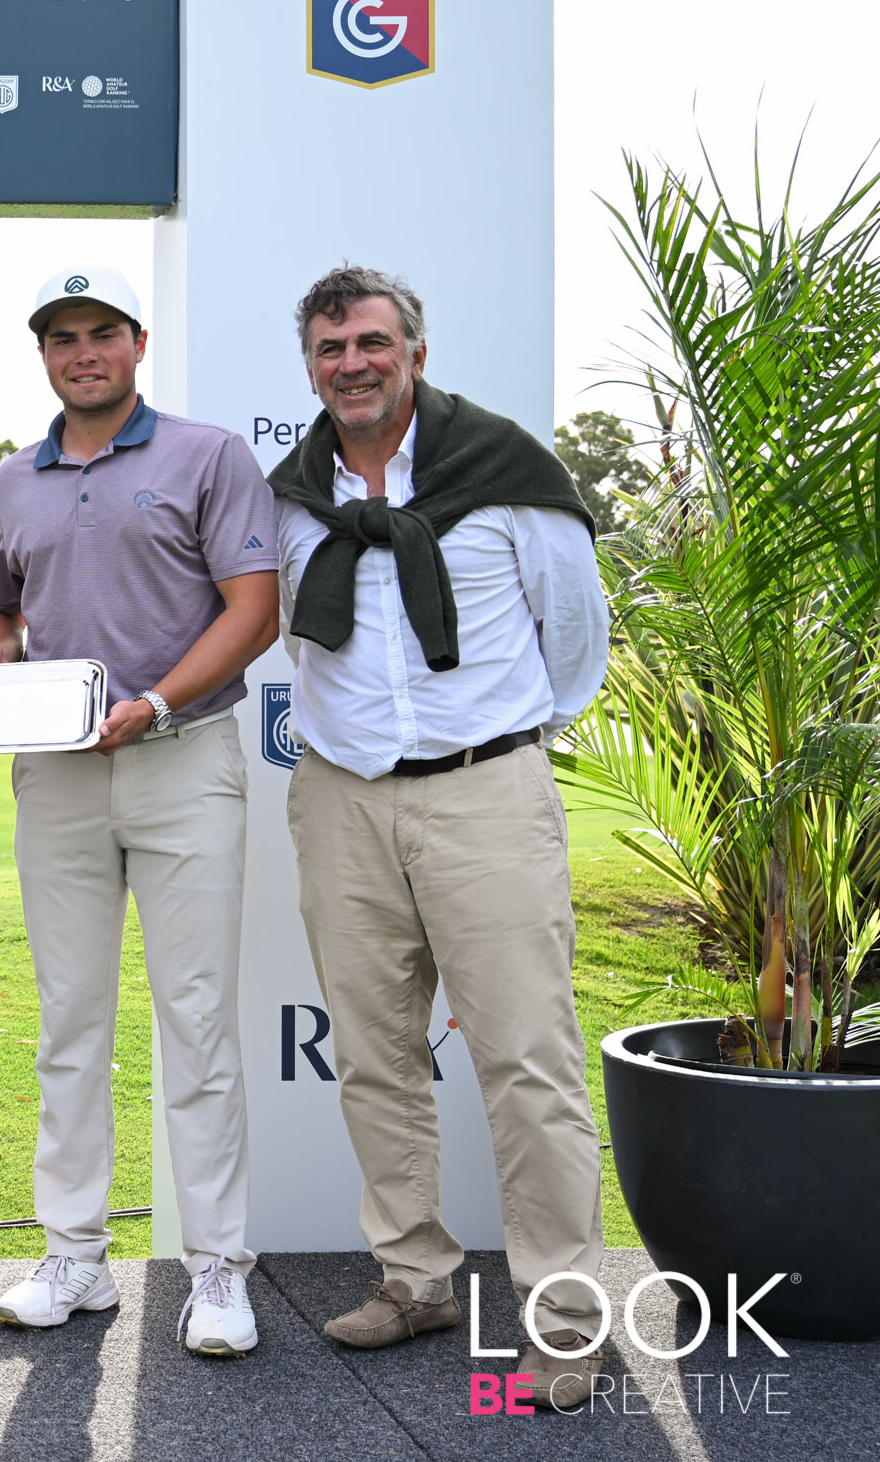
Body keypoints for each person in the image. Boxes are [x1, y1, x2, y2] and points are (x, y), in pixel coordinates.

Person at [269, 266, 608, 1411]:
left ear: (414, 350)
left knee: (528, 1061)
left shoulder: (505, 471)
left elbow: (575, 632)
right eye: (329, 348)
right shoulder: (291, 496)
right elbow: (287, 635)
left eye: (371, 341)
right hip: (341, 799)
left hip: (484, 792)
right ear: (309, 366)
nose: (351, 363)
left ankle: (564, 1313)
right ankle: (413, 1275)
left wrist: (502, 747)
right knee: (373, 1053)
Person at [0, 264, 279, 1356]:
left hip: (182, 755)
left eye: (102, 332)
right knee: (69, 1019)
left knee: (195, 1017)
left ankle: (218, 1266)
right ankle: (74, 1255)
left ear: (138, 343)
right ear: (44, 354)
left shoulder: (208, 455)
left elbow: (254, 610)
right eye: (63, 337)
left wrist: (157, 702)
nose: (83, 352)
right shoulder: (16, 477)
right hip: (56, 769)